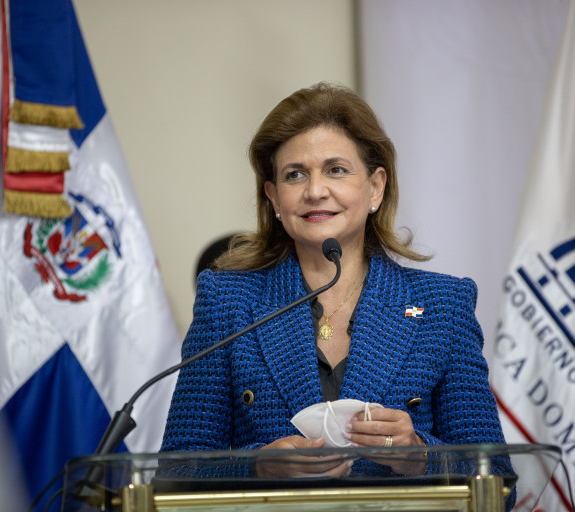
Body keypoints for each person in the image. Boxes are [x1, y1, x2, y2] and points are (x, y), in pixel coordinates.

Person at [160, 82, 507, 478]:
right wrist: (258, 467)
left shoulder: (443, 304)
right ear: (274, 197)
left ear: (375, 187)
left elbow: (496, 478)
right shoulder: (227, 301)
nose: (314, 191)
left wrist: (421, 455)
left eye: (336, 170)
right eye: (295, 175)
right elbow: (176, 473)